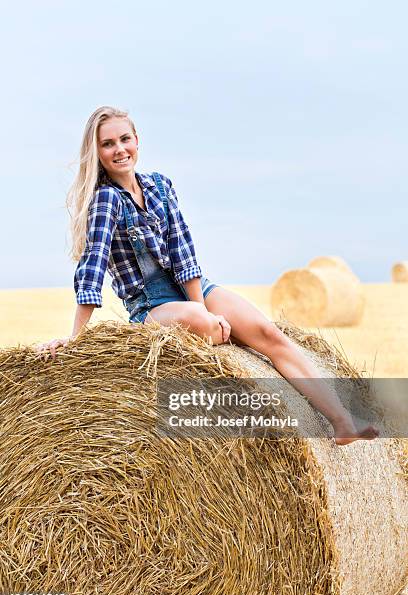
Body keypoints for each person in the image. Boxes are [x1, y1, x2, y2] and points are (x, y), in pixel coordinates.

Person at [37, 106, 379, 446]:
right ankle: (217, 331)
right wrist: (75, 339)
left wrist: (202, 306)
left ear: (137, 141)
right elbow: (92, 265)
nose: (119, 149)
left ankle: (341, 421)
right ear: (96, 152)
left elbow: (183, 250)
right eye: (108, 143)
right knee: (203, 325)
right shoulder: (105, 201)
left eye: (125, 139)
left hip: (192, 289)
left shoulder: (159, 186)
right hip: (152, 304)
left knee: (267, 333)